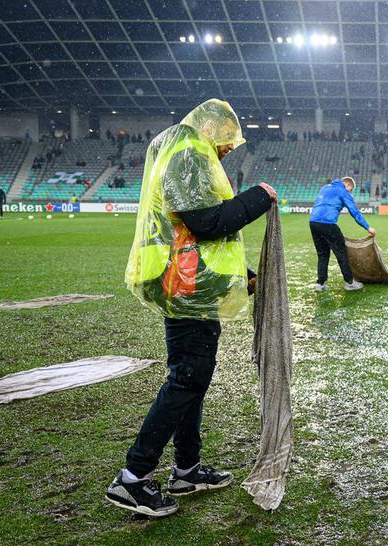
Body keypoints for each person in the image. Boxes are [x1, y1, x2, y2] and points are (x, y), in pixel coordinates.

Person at [107, 99, 277, 518]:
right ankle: (132, 478)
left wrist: (243, 275)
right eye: (226, 144)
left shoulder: (179, 149)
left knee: (191, 379)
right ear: (214, 130)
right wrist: (259, 197)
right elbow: (204, 221)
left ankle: (185, 469)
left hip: (185, 284)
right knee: (186, 380)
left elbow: (193, 234)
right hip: (183, 288)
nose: (227, 152)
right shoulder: (189, 152)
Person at [309, 176, 376, 292]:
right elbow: (354, 211)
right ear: (348, 185)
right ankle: (350, 282)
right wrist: (368, 227)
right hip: (328, 223)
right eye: (351, 190)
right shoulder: (343, 191)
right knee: (341, 252)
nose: (350, 192)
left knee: (322, 254)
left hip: (313, 222)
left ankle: (320, 283)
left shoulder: (325, 188)